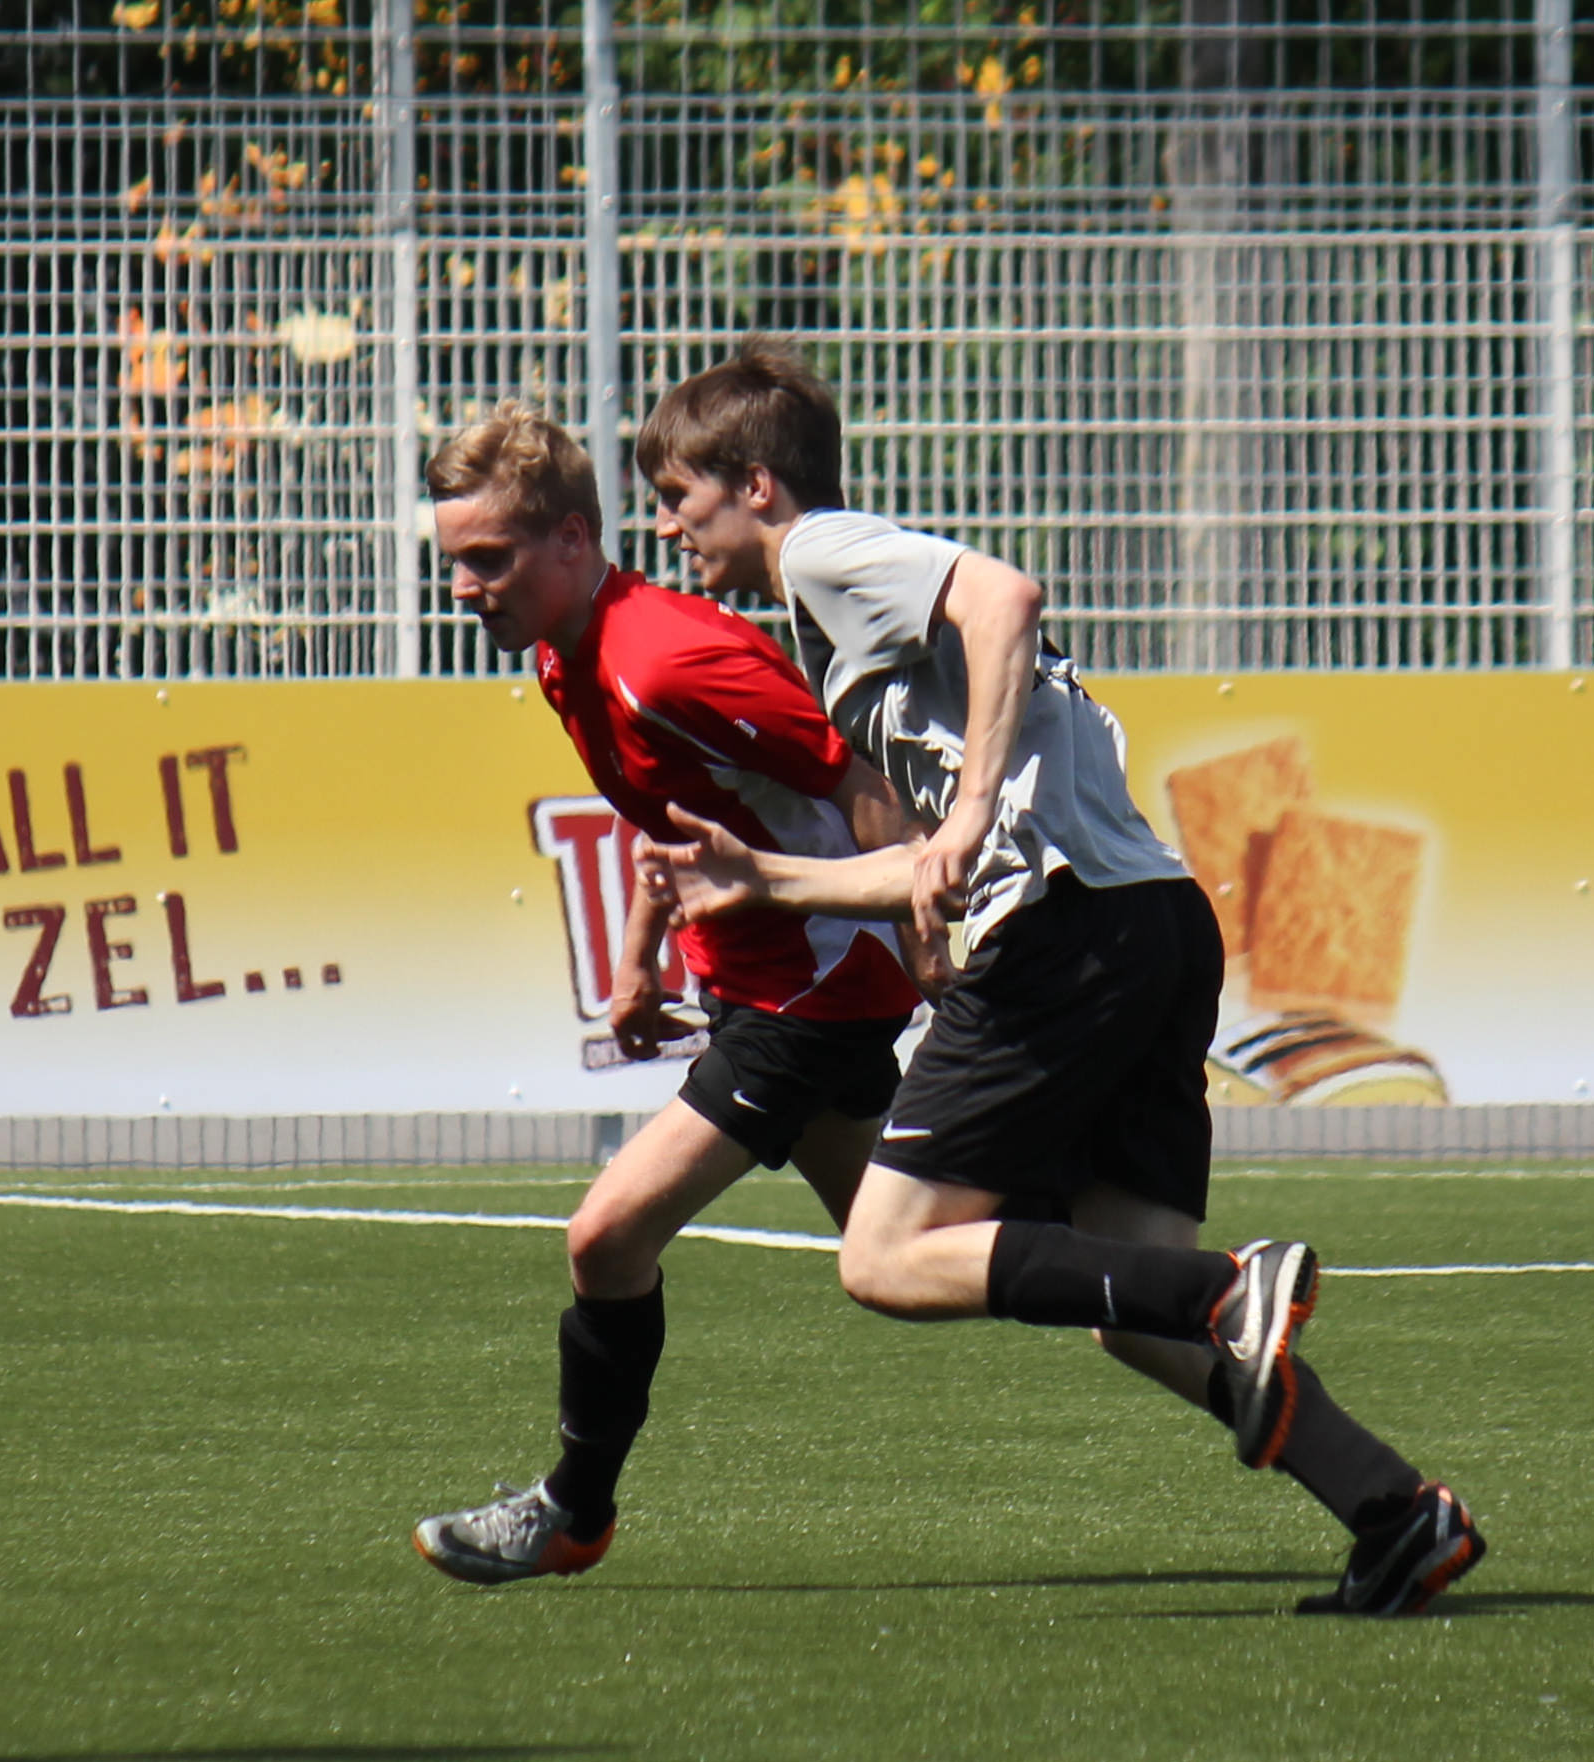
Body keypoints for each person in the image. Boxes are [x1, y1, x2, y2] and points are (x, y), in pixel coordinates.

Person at [626, 340, 1483, 1617]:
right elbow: (934, 855)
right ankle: (1396, 1511)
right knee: (1136, 1312)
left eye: (677, 494)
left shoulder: (820, 551)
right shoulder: (836, 613)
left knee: (886, 1256)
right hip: (1150, 924)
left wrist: (970, 808)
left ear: (755, 485)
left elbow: (1006, 598)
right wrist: (768, 879)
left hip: (1065, 934)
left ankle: (1226, 1285)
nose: (667, 524)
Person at [408, 402, 935, 1585]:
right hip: (776, 993)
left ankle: (571, 1513)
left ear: (572, 539)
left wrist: (929, 948)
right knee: (921, 1257)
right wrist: (641, 956)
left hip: (811, 1000)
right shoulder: (568, 651)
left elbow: (864, 785)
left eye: (487, 558)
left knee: (606, 1235)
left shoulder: (666, 657)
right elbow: (674, 814)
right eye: (454, 561)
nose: (464, 587)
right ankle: (1204, 1311)